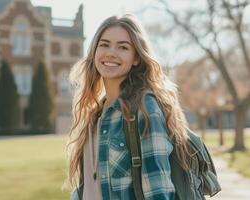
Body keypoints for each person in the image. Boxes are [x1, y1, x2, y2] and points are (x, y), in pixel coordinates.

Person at [67, 14, 191, 200]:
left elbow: (158, 191)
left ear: (136, 58)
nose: (111, 52)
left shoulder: (145, 109)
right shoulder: (95, 115)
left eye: (123, 47)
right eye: (104, 44)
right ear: (94, 52)